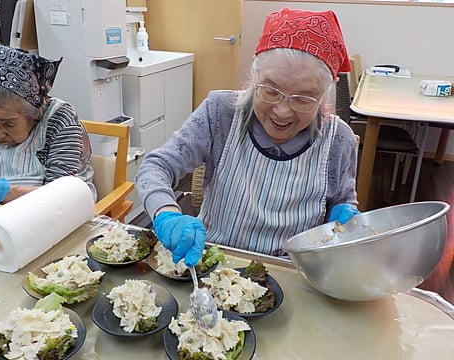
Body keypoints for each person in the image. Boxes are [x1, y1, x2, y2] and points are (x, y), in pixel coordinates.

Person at [135, 8, 360, 267]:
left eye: (302, 98)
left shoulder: (338, 139)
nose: (282, 111)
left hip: (292, 273)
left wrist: (343, 215)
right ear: (253, 79)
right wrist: (166, 214)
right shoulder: (221, 113)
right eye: (270, 91)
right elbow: (156, 167)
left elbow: (343, 200)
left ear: (323, 96)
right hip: (213, 261)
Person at [0, 44, 96, 206]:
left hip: (46, 213)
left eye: (8, 124)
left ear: (34, 115)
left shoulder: (59, 119)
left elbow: (62, 196)